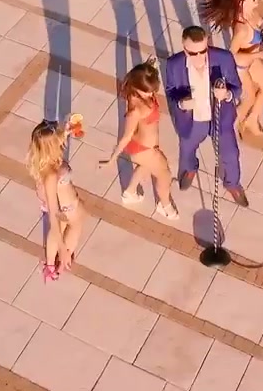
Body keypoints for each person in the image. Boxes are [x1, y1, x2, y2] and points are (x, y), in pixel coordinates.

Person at [161, 25, 250, 207]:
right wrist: (181, 104)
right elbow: (171, 91)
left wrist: (227, 94)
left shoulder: (223, 58)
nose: (199, 57)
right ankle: (190, 169)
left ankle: (232, 183)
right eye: (193, 53)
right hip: (193, 120)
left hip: (220, 118)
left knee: (230, 154)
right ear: (184, 48)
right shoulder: (174, 64)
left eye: (203, 51)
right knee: (187, 149)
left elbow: (237, 87)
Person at [98, 58, 180, 220]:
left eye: (152, 90)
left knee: (145, 167)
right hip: (144, 149)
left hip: (145, 147)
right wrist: (112, 160)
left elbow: (142, 77)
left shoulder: (137, 90)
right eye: (147, 91)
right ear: (137, 86)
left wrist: (148, 67)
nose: (151, 94)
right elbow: (126, 136)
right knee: (164, 175)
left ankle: (130, 193)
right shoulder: (135, 109)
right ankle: (164, 206)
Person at [198, 0, 263, 138]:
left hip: (253, 58)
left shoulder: (253, 13)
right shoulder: (241, 29)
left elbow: (262, 30)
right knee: (250, 97)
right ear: (242, 2)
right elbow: (231, 55)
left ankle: (252, 119)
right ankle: (228, 127)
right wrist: (259, 55)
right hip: (242, 65)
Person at [27, 120, 87, 282]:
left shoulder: (43, 161)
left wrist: (66, 132)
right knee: (72, 228)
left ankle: (51, 266)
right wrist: (63, 249)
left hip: (64, 207)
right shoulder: (52, 175)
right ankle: (61, 262)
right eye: (56, 142)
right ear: (51, 147)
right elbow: (54, 216)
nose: (60, 144)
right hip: (69, 209)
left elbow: (53, 141)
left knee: (57, 232)